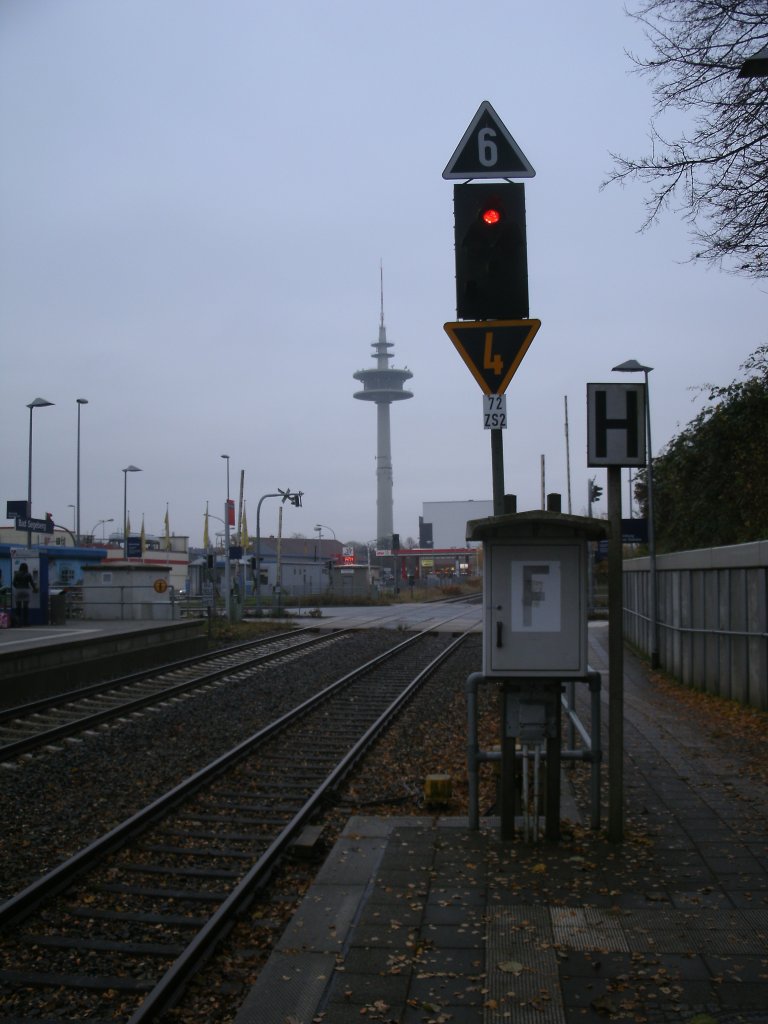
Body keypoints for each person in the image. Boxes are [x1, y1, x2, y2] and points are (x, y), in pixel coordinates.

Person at [13, 562, 37, 626]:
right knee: (25, 607)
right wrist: (35, 589)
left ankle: (18, 623)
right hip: (26, 591)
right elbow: (32, 583)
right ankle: (25, 622)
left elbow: (14, 583)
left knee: (18, 607)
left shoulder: (17, 574)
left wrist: (18, 587)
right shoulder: (28, 574)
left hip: (18, 591)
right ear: (26, 568)